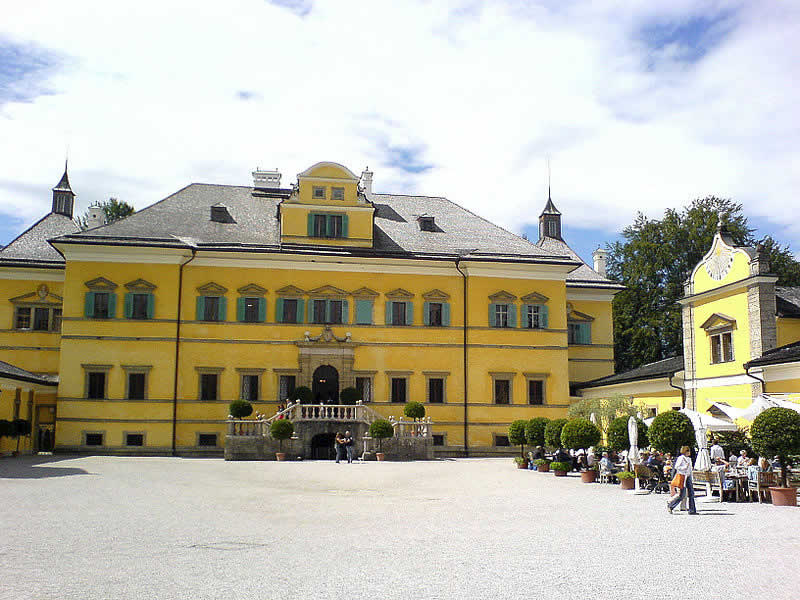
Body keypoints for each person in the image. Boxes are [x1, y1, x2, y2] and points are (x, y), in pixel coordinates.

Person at [667, 445, 697, 515]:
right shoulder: (681, 458)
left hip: (688, 476)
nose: (689, 452)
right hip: (683, 476)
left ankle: (692, 510)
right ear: (685, 451)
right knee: (682, 494)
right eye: (688, 451)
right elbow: (677, 467)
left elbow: (689, 468)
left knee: (691, 493)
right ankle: (671, 505)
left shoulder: (689, 459)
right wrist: (684, 467)